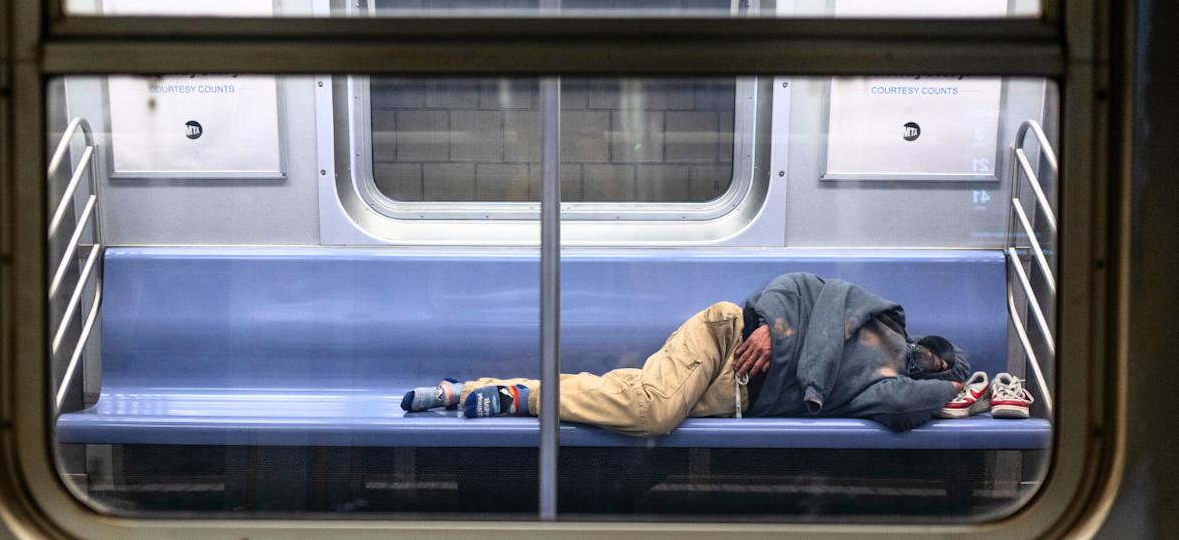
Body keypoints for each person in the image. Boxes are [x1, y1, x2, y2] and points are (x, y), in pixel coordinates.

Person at [400, 272, 971, 434]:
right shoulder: (875, 316)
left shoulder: (883, 390)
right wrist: (777, 327)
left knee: (625, 392)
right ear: (924, 343)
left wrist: (957, 393)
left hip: (738, 394)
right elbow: (799, 289)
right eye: (938, 359)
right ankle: (518, 400)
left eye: (944, 374)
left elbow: (903, 409)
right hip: (724, 334)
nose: (932, 368)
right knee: (654, 412)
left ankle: (472, 391)